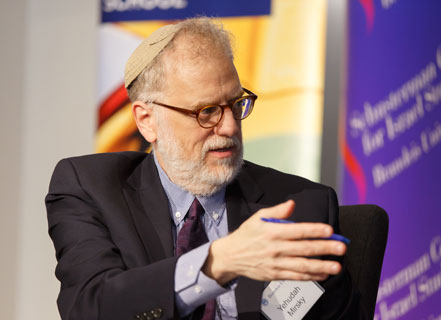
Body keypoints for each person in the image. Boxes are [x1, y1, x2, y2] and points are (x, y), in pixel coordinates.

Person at [46, 18, 360, 320]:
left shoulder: (300, 206)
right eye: (206, 111)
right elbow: (90, 307)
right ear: (147, 121)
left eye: (236, 104)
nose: (228, 127)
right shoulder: (91, 188)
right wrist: (218, 261)